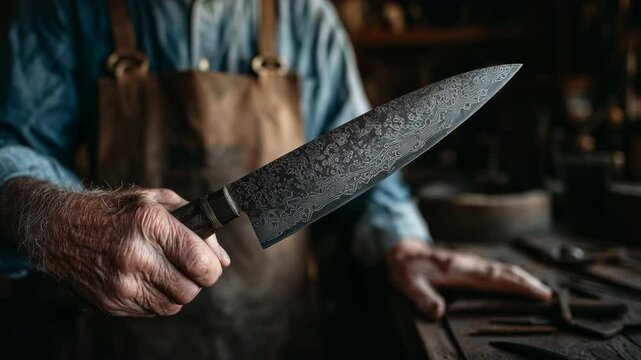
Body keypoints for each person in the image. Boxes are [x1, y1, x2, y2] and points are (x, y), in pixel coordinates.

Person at [0, 0, 552, 358]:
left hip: (278, 342)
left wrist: (403, 244)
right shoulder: (65, 12)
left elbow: (374, 186)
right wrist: (57, 219)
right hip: (114, 342)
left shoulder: (307, 21)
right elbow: (9, 149)